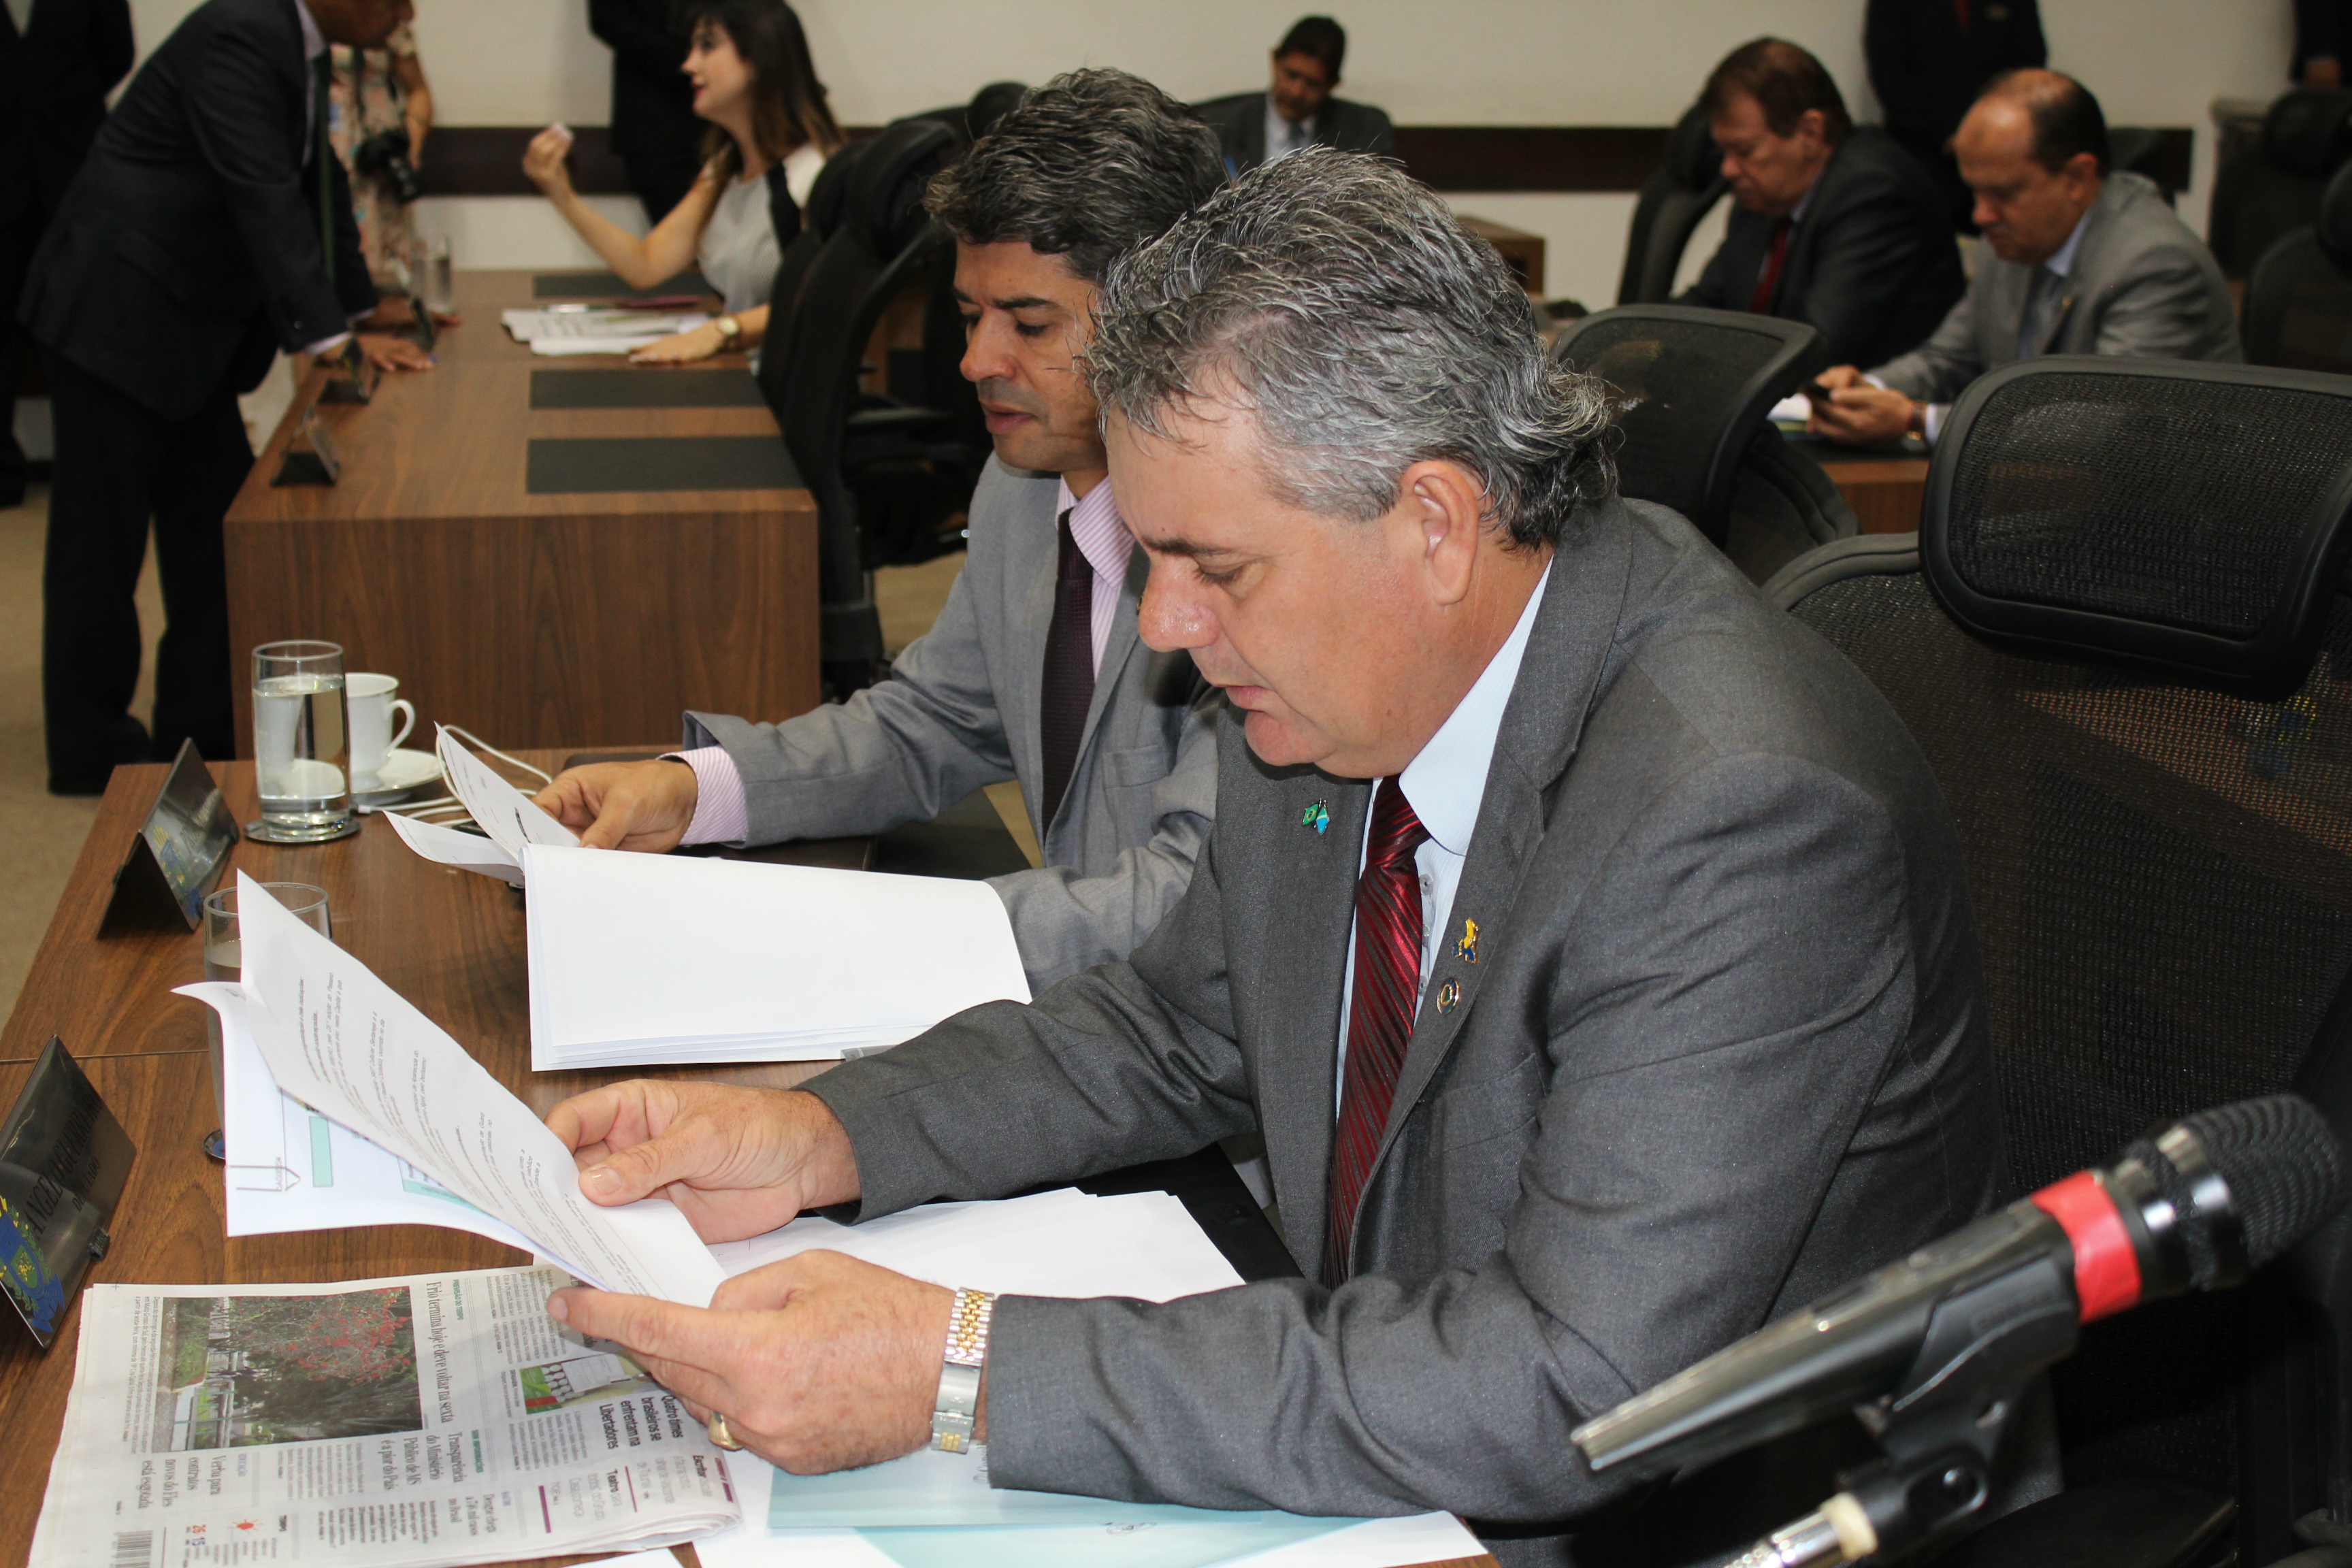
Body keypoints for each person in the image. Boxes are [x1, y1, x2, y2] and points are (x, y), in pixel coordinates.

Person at [536, 148, 2012, 1566]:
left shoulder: (1739, 816)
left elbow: (1571, 1391)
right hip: (1379, 1415)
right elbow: (1176, 1025)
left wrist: (963, 1366)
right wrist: (827, 1135)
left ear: (1433, 518)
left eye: (1213, 566)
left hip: (1666, 1518)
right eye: (1151, 554)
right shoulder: (1331, 683)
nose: (1167, 631)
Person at [533, 71, 1228, 996]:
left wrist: (860, 936)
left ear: (1166, 323)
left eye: (1028, 322)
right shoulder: (1020, 485)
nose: (976, 361)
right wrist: (694, 790)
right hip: (1085, 1024)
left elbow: (1190, 901)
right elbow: (929, 724)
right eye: (972, 316)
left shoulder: (1243, 556)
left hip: (1215, 1095)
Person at [17, 0, 432, 796]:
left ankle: (201, 726)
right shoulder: (244, 29)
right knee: (99, 549)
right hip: (117, 316)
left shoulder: (300, 42)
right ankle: (90, 746)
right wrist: (331, 341)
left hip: (187, 333)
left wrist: (357, 304)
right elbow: (262, 191)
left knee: (214, 538)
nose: (406, 11)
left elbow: (318, 182)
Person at [1810, 69, 2242, 448]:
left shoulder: (2154, 265)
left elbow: (2102, 428)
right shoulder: (2016, 237)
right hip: (2041, 490)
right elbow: (1949, 360)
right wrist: (1867, 389)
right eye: (1975, 192)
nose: (1981, 215)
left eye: (2001, 194)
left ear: (2077, 177)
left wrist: (1917, 420)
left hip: (2155, 517)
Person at [525, 0, 840, 365]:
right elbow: (646, 264)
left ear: (758, 57)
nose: (689, 64)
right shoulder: (724, 166)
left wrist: (721, 331)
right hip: (741, 376)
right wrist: (561, 193)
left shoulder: (816, 170)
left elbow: (824, 300)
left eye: (707, 46)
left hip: (789, 397)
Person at [1678, 37, 1964, 370]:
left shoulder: (1874, 192)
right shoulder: (1764, 197)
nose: (1728, 169)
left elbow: (1815, 346)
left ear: (1810, 134)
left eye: (1744, 151)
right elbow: (1705, 305)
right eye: (1724, 152)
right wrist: (1639, 341)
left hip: (1875, 411)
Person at [0, 0, 132, 510]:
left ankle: (90, 470)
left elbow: (115, 53)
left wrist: (60, 103)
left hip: (70, 173)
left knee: (81, 327)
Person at [1865, 0, 2046, 230]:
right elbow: (1889, 75)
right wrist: (1951, 136)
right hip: (1922, 160)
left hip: (1999, 162)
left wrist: (1990, 136)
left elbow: (2029, 68)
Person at [1194, 15, 1392, 174]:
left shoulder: (1365, 132)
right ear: (1275, 61)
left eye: (1312, 84)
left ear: (1333, 85)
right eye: (1291, 75)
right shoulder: (1217, 126)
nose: (1297, 92)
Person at [326, 17, 432, 293]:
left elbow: (418, 91)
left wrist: (412, 148)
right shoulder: (305, 19)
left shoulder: (386, 17)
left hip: (380, 159)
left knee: (391, 268)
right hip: (329, 150)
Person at [590, 0, 706, 224]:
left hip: (733, 117)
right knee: (677, 248)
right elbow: (608, 17)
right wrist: (689, 60)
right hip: (657, 122)